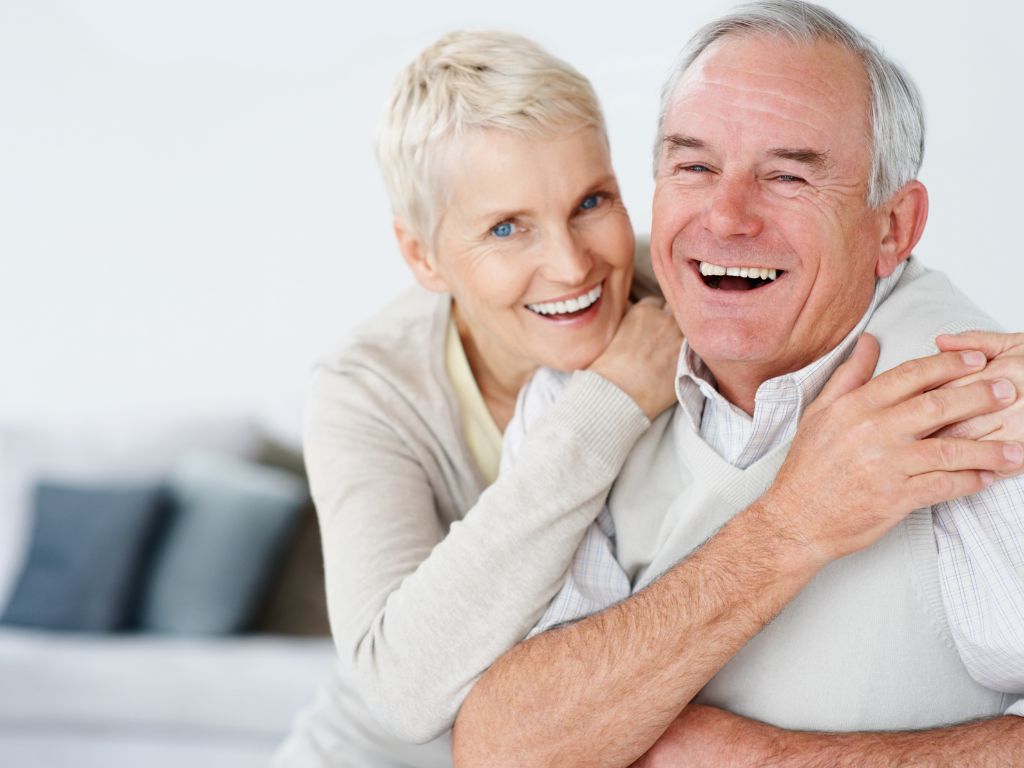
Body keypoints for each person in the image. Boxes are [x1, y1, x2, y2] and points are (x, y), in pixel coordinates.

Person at [450, 4, 1024, 767]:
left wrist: (750, 757)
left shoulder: (986, 406)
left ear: (893, 228)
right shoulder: (580, 399)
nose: (726, 215)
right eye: (694, 166)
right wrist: (794, 524)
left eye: (787, 176)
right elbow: (505, 750)